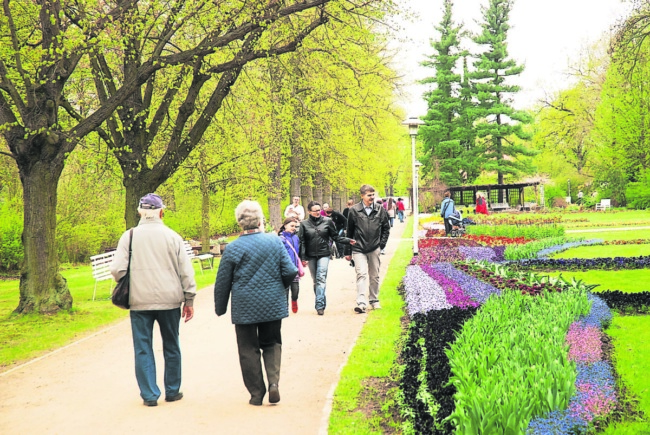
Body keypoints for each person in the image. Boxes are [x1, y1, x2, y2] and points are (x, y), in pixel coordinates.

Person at [110, 193, 196, 407]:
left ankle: (149, 395)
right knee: (172, 345)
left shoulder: (128, 236)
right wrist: (189, 299)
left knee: (142, 347)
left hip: (139, 302)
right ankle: (173, 390)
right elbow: (186, 272)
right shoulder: (173, 237)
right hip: (169, 301)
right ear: (161, 212)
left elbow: (117, 269)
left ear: (140, 212)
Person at [214, 200, 298, 406]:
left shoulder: (233, 248)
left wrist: (220, 307)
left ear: (240, 223)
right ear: (260, 220)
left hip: (244, 307)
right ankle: (273, 383)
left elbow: (222, 281)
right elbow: (290, 271)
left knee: (248, 349)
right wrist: (280, 289)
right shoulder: (275, 242)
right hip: (272, 304)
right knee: (272, 343)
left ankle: (256, 393)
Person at [298, 201, 354, 315]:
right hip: (311, 255)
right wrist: (303, 257)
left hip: (324, 253)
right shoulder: (304, 224)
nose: (318, 212)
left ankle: (319, 305)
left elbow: (335, 237)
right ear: (309, 212)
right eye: (315, 211)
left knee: (321, 278)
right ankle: (321, 299)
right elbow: (302, 242)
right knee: (316, 280)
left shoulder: (327, 221)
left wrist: (348, 241)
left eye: (319, 210)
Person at [344, 184, 391, 313]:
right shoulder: (354, 210)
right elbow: (350, 231)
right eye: (369, 195)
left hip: (374, 247)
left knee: (374, 275)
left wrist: (381, 245)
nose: (372, 197)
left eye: (373, 195)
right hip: (358, 248)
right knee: (361, 274)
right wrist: (347, 251)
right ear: (362, 196)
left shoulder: (380, 210)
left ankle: (374, 300)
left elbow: (386, 228)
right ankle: (361, 302)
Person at [278, 217, 301, 313]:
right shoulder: (280, 239)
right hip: (285, 268)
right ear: (285, 225)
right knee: (285, 289)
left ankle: (294, 300)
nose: (294, 228)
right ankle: (285, 307)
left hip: (294, 267)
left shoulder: (296, 238)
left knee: (295, 289)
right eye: (291, 226)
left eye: (295, 226)